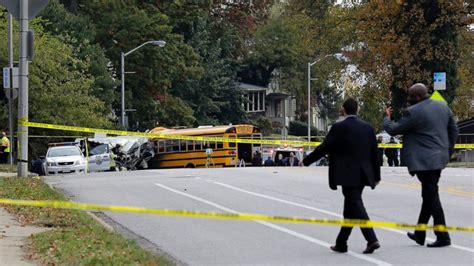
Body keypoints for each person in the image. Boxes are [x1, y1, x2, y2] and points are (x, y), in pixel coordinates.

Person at [301, 98, 381, 254]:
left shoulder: (339, 127)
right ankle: (341, 243)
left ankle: (371, 239)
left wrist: (307, 160)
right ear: (357, 110)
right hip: (364, 174)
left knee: (356, 205)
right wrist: (376, 175)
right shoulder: (368, 128)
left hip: (347, 174)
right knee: (351, 208)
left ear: (344, 109)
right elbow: (374, 154)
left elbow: (324, 147)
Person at [384, 83, 458, 248]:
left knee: (431, 196)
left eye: (410, 96)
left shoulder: (414, 112)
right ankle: (420, 232)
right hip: (439, 159)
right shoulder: (443, 107)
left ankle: (443, 236)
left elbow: (394, 130)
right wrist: (447, 151)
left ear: (417, 97)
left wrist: (386, 118)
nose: (408, 99)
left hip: (424, 162)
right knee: (428, 195)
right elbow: (454, 130)